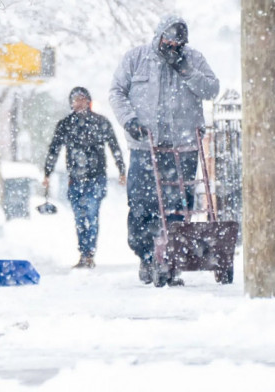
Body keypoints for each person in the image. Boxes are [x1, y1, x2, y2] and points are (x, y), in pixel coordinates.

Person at [109, 15, 219, 285]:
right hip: (145, 146)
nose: (172, 45)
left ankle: (171, 260)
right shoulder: (136, 59)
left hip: (183, 146)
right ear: (158, 35)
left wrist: (186, 70)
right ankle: (147, 256)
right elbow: (116, 91)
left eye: (178, 42)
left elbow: (211, 89)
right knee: (141, 205)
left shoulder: (192, 59)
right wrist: (129, 120)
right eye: (168, 39)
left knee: (178, 206)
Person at [43, 87, 126, 269]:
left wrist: (121, 169)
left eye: (82, 99)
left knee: (91, 213)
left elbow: (114, 146)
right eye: (75, 100)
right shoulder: (66, 124)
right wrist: (47, 172)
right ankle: (84, 252)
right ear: (71, 103)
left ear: (88, 101)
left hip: (96, 177)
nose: (79, 103)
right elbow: (54, 149)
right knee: (80, 217)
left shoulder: (100, 123)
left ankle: (89, 253)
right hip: (75, 178)